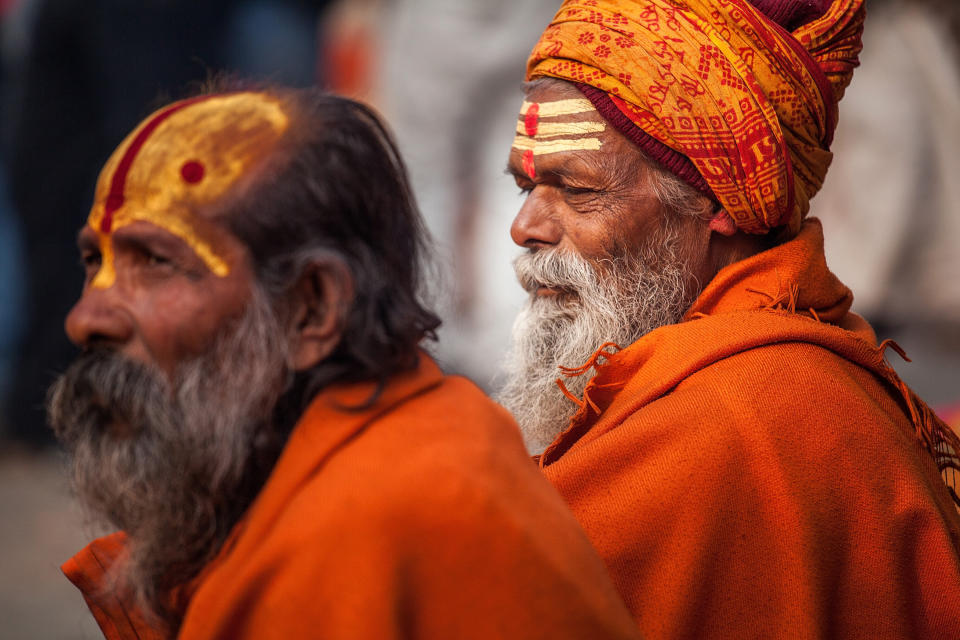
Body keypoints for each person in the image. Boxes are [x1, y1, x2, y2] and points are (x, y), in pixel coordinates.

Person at [47, 87, 640, 640]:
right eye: (92, 260)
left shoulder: (346, 539)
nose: (86, 316)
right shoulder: (425, 433)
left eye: (155, 261)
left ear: (312, 306)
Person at [497, 0, 960, 637]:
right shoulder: (796, 362)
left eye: (576, 190)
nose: (524, 228)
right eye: (527, 187)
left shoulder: (717, 425)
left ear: (717, 200)